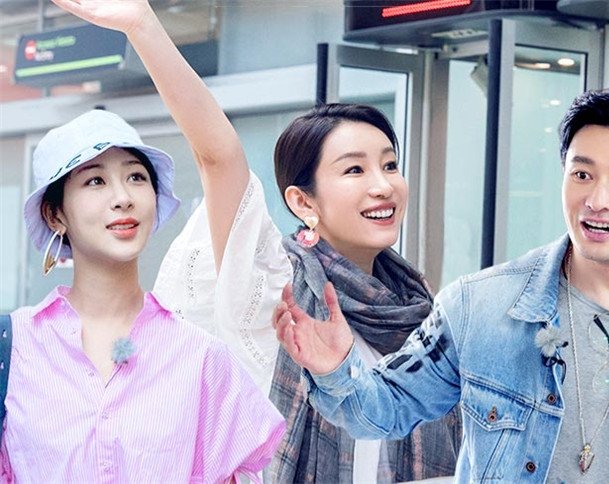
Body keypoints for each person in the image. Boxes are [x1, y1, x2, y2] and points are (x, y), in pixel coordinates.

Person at [50, 1, 461, 482]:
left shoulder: (419, 303)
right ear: (302, 201)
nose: (383, 185)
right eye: (354, 169)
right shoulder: (278, 288)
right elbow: (218, 158)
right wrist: (142, 25)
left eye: (390, 165)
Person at [275, 89, 609, 483]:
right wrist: (336, 368)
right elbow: (386, 409)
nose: (598, 200)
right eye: (582, 175)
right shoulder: (479, 306)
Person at [0, 108, 285, 481]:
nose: (122, 198)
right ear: (56, 215)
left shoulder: (201, 356)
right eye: (95, 181)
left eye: (136, 177)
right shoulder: (14, 347)